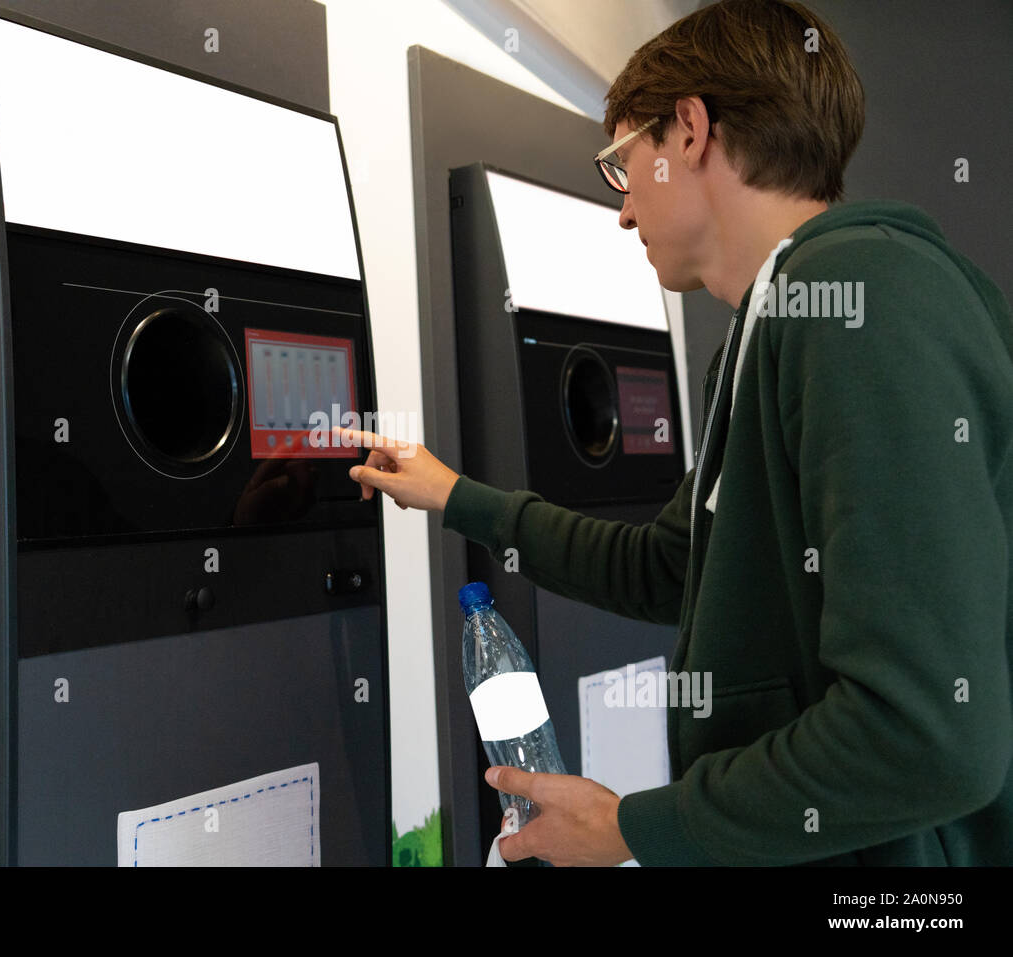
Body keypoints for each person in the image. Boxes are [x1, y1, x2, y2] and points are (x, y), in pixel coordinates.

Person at [343, 0, 1013, 865]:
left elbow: (927, 738)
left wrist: (636, 827)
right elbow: (670, 569)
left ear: (690, 130)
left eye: (623, 164)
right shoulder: (773, 326)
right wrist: (453, 497)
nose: (623, 212)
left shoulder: (864, 299)